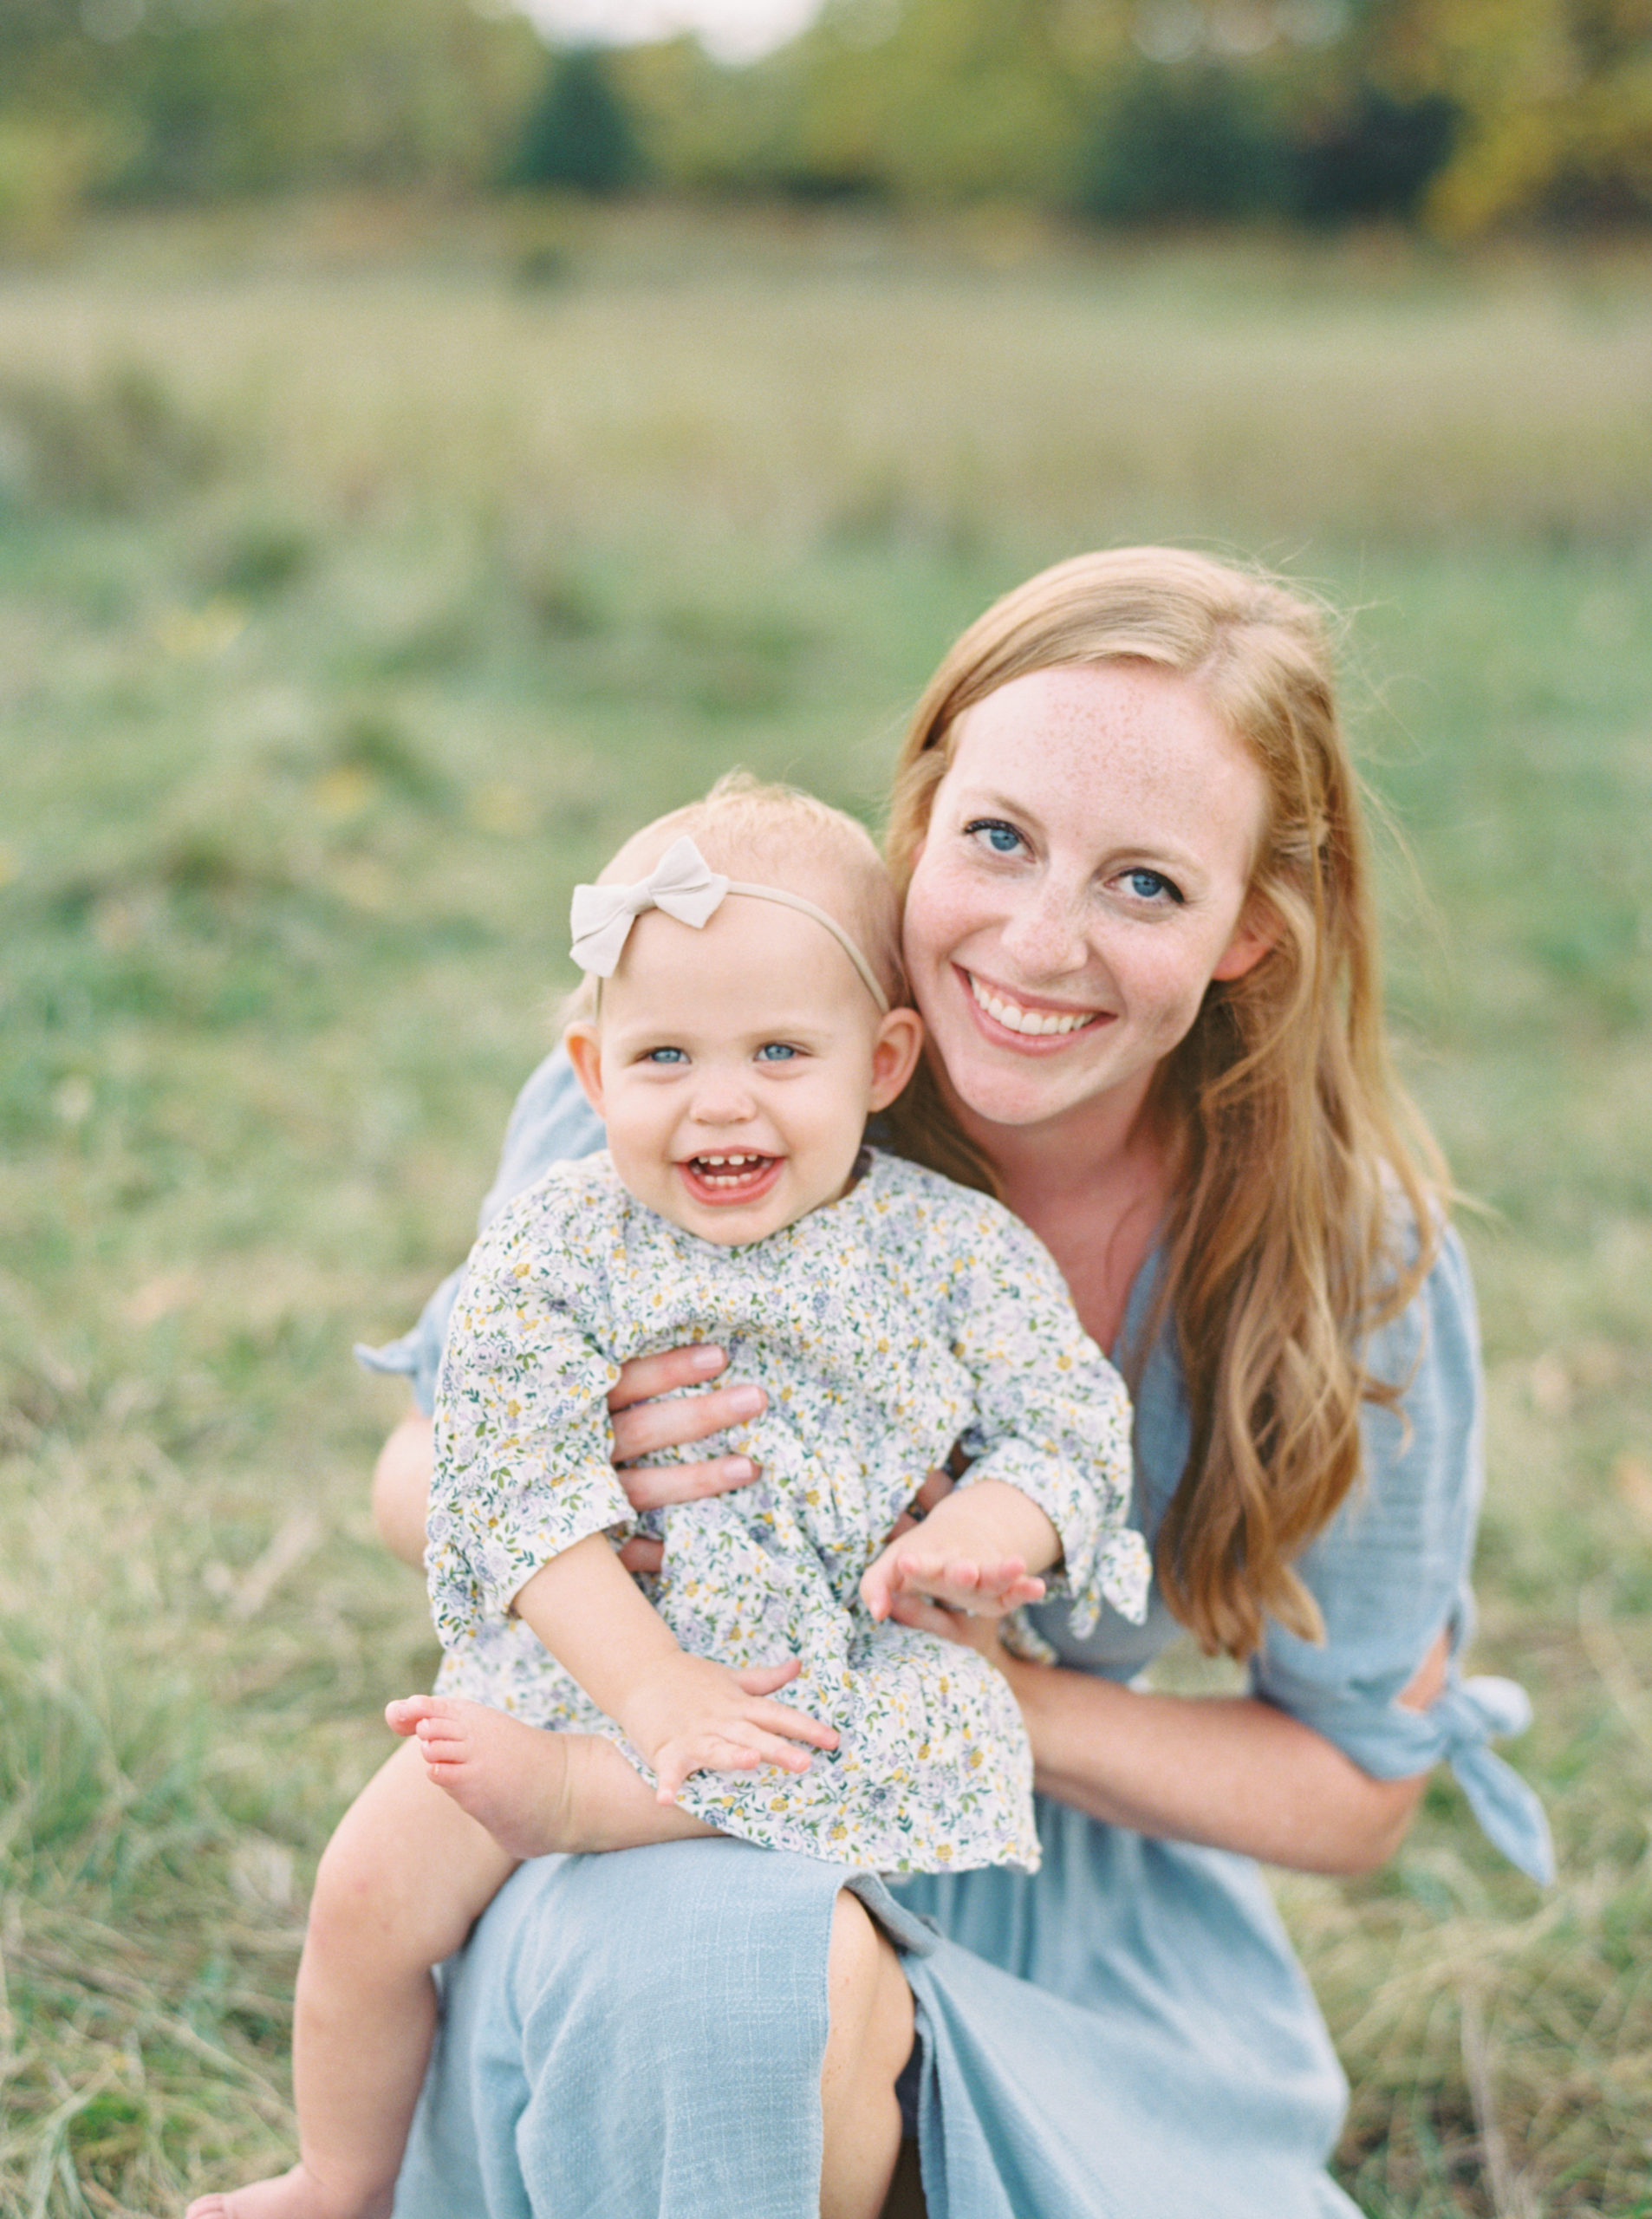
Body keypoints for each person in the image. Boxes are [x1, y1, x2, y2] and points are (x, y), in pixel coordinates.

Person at [361, 549, 1552, 2219]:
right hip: (650, 1807)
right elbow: (412, 1476)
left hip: (1048, 1889)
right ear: (919, 816)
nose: (1038, 941)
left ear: (1247, 934)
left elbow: (1357, 1791)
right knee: (714, 1976)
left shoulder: (1342, 1261)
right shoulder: (707, 1075)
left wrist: (969, 1695)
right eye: (998, 839)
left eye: (1145, 885)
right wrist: (599, 1497)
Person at [188, 780, 1148, 2219]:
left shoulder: (954, 1251)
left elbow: (1068, 1424)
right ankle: (342, 2176)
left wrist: (981, 1532)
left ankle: (596, 1805)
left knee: (943, 1730)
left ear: (882, 1060)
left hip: (829, 1675)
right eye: (663, 1055)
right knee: (366, 1890)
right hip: (580, 1667)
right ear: (590, 1072)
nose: (720, 1099)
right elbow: (509, 1485)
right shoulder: (557, 1246)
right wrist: (647, 1690)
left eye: (779, 1050)